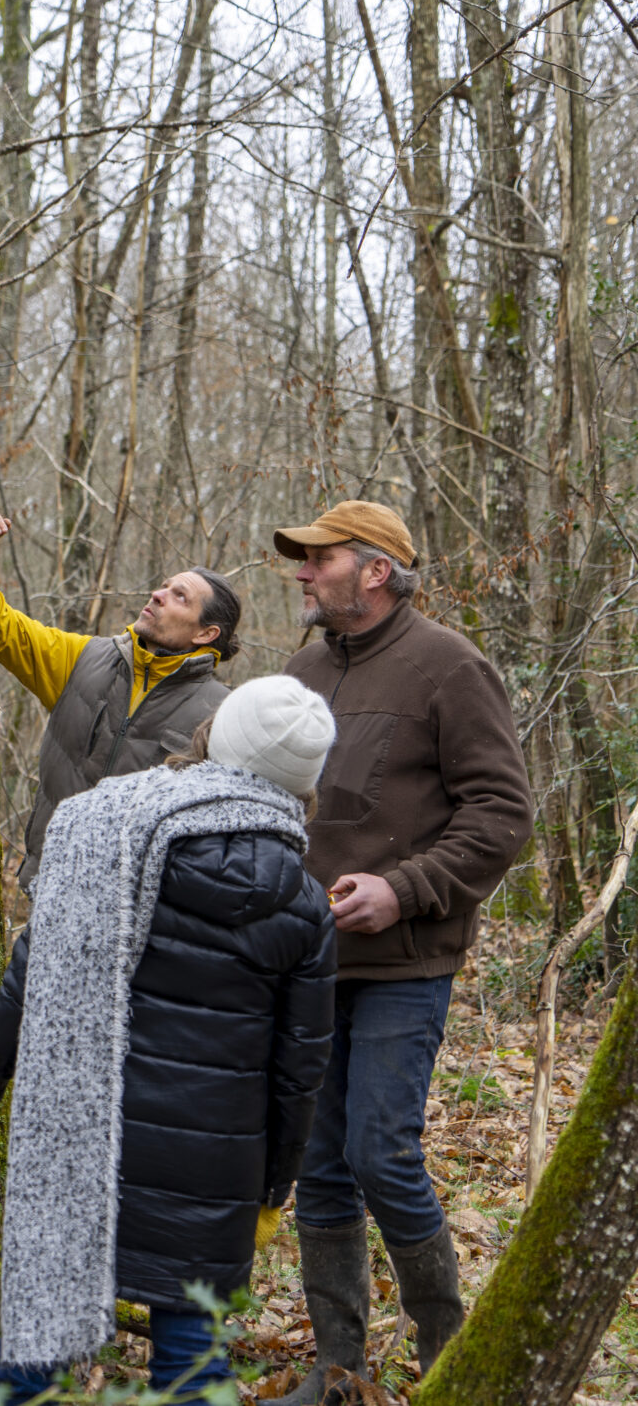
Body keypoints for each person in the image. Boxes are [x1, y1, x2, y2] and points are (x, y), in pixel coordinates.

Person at [0, 675, 338, 1403]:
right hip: (216, 1169)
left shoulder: (101, 828)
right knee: (192, 1367)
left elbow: (31, 974)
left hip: (78, 1141)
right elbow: (301, 1069)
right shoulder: (303, 901)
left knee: (29, 1366)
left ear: (214, 738)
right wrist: (271, 1188)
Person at [270, 499, 533, 1397]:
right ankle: (338, 1366)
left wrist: (405, 888)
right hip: (307, 961)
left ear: (375, 570)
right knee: (318, 1162)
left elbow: (502, 811)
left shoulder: (450, 667)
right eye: (300, 561)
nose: (302, 573)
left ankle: (446, 1352)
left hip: (406, 963)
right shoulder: (302, 669)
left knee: (381, 1151)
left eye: (319, 559)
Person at [0, 510, 241, 886]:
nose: (158, 594)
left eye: (179, 596)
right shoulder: (83, 658)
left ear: (206, 634)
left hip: (139, 915)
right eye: (164, 586)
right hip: (49, 888)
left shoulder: (222, 716)